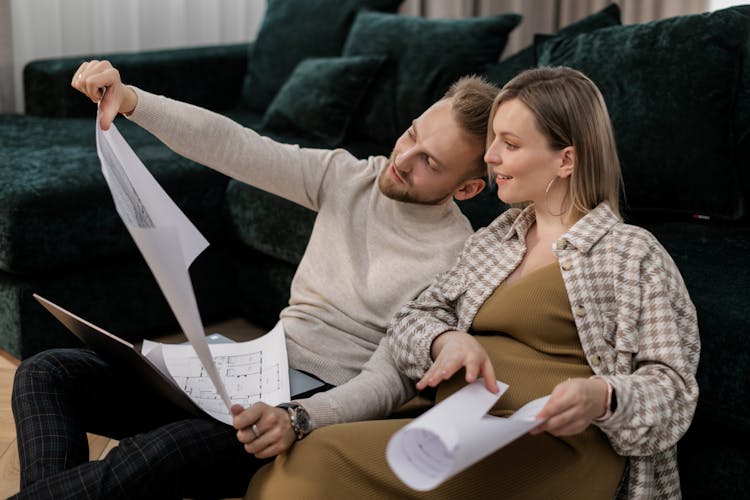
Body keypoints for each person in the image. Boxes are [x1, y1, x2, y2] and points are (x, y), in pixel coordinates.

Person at [10, 60, 500, 499]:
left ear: (469, 187)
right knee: (46, 373)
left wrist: (298, 418)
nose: (403, 158)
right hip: (244, 367)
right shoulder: (350, 177)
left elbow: (389, 380)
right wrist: (132, 100)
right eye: (412, 134)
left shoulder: (456, 259)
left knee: (152, 455)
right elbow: (237, 147)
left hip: (304, 408)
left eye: (429, 162)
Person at [245, 66, 700, 500]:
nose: (489, 156)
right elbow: (412, 320)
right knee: (297, 466)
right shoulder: (494, 240)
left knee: (310, 475)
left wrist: (602, 396)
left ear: (566, 160)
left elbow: (673, 391)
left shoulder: (631, 254)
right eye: (493, 140)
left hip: (554, 448)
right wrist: (445, 341)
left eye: (510, 144)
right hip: (452, 427)